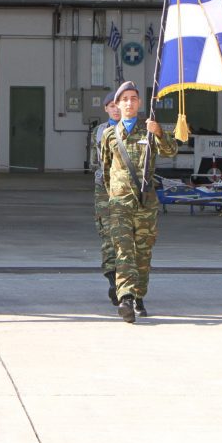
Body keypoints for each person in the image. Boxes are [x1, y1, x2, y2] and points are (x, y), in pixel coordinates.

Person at [100, 81, 178, 323]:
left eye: (133, 99)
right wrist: (113, 194)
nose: (129, 103)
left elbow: (171, 151)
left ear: (139, 103)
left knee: (142, 254)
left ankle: (139, 295)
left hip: (145, 203)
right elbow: (104, 168)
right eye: (124, 99)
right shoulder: (109, 135)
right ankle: (125, 298)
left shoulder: (149, 131)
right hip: (120, 203)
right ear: (117, 104)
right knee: (123, 250)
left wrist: (160, 134)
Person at [90, 91, 121, 305]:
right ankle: (113, 281)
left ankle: (128, 284)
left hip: (128, 189)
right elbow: (98, 161)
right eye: (112, 105)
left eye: (119, 104)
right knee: (108, 235)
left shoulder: (139, 130)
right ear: (106, 109)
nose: (116, 108)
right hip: (105, 188)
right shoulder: (100, 131)